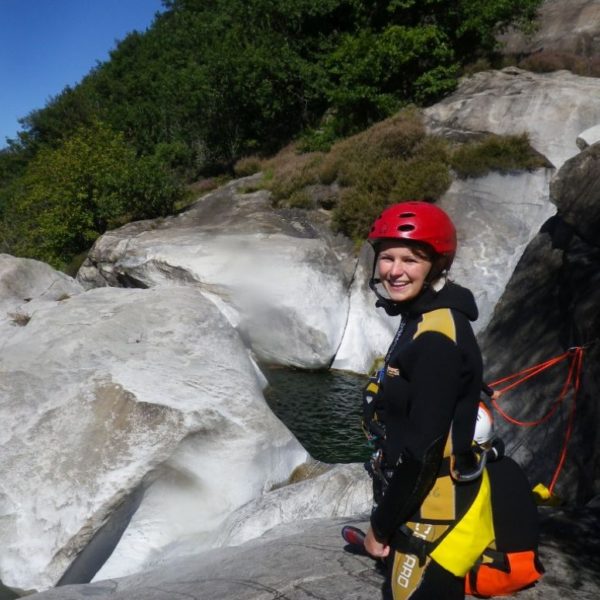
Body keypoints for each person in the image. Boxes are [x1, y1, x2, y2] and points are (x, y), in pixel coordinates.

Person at [361, 201, 494, 600]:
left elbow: (422, 455)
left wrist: (380, 528)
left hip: (432, 505)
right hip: (421, 497)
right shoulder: (424, 315)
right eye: (387, 257)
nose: (394, 271)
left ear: (437, 265)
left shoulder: (435, 336)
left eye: (411, 259)